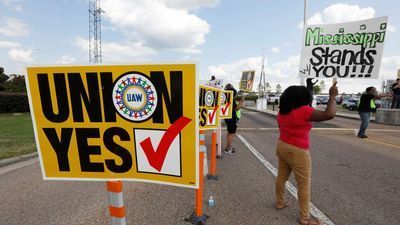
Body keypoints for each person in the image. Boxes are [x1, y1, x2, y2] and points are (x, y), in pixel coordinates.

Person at [275, 83, 338, 225]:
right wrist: (332, 97)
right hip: (298, 150)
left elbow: (281, 128)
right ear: (303, 98)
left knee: (282, 176)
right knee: (304, 184)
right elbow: (329, 114)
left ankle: (280, 202)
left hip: (282, 145)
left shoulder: (282, 111)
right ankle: (305, 218)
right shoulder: (303, 110)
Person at [223, 83, 244, 154]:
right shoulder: (230, 99)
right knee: (231, 134)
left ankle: (228, 146)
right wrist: (242, 101)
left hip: (227, 118)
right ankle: (228, 149)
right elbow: (237, 108)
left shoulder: (225, 98)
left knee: (229, 132)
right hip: (232, 118)